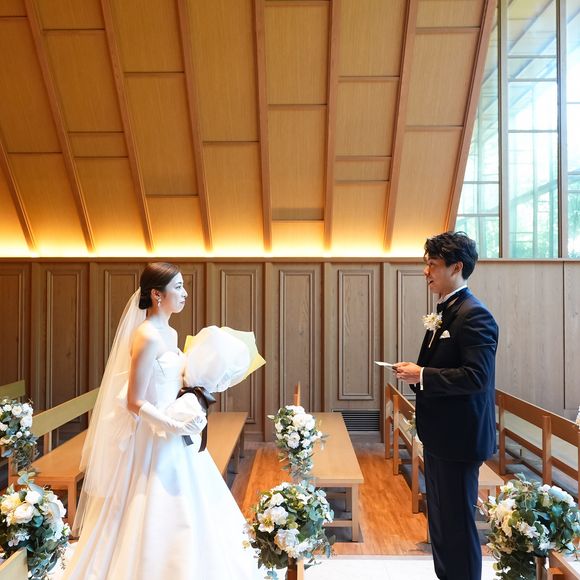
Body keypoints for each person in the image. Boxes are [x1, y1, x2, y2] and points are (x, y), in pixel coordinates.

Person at [60, 262, 261, 579]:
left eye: (183, 286)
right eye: (178, 287)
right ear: (156, 294)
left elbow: (168, 385)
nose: (185, 293)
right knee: (149, 508)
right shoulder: (146, 336)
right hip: (153, 436)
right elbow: (134, 400)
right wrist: (172, 424)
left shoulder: (172, 332)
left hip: (177, 433)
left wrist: (191, 401)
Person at [394, 232, 498, 580]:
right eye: (426, 264)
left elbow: (477, 377)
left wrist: (422, 374)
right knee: (440, 522)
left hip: (460, 439)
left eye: (433, 264)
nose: (426, 271)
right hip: (441, 437)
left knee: (457, 525)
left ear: (456, 267)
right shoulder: (447, 311)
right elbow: (443, 366)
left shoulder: (474, 315)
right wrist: (417, 373)